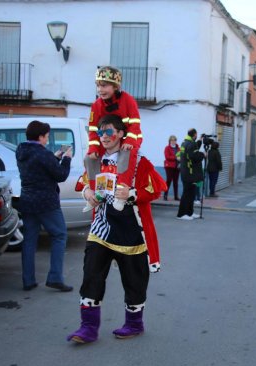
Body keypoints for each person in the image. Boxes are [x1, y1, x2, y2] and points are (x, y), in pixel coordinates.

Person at [67, 114, 165, 344]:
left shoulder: (139, 161)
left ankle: (134, 323)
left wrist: (131, 194)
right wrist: (87, 193)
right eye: (100, 132)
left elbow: (157, 189)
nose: (103, 137)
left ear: (121, 134)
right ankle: (88, 327)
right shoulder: (96, 159)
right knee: (91, 275)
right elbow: (84, 185)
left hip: (131, 231)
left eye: (108, 132)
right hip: (101, 228)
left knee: (134, 280)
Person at [16, 120, 73, 292]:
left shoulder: (21, 151)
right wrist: (66, 159)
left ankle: (28, 280)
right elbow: (61, 175)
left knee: (29, 241)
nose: (47, 140)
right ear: (40, 136)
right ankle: (55, 278)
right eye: (46, 137)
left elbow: (38, 167)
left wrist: (55, 157)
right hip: (46, 202)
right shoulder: (43, 154)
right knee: (59, 235)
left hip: (27, 201)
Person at [85, 66, 142, 212]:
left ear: (116, 86)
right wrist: (93, 148)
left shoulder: (128, 100)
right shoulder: (96, 105)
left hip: (129, 139)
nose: (100, 89)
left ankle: (121, 194)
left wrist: (129, 141)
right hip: (108, 141)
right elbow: (92, 129)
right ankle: (95, 196)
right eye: (98, 85)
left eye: (104, 85)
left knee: (125, 155)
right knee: (89, 159)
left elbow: (135, 124)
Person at [177, 128, 205, 220]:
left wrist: (200, 141)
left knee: (191, 193)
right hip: (190, 173)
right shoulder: (191, 144)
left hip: (186, 172)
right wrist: (203, 155)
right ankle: (181, 214)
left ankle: (189, 212)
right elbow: (194, 156)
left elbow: (191, 151)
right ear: (195, 134)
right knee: (187, 194)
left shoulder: (185, 143)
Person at [163, 135, 180, 201]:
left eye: (174, 140)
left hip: (177, 167)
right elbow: (167, 157)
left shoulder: (178, 148)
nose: (173, 141)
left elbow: (180, 156)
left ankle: (176, 196)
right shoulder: (167, 148)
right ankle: (165, 195)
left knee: (176, 182)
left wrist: (180, 158)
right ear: (169, 141)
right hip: (169, 167)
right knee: (168, 181)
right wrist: (176, 158)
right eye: (172, 140)